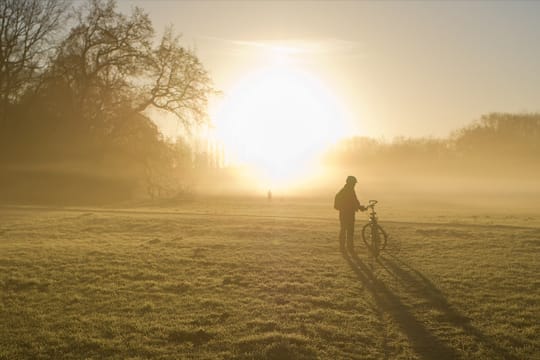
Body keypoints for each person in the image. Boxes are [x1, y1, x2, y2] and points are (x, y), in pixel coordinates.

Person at [334, 176, 366, 252]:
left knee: (345, 230)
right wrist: (359, 207)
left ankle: (346, 247)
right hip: (347, 213)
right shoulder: (348, 190)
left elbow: (354, 201)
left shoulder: (348, 190)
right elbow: (352, 202)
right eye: (354, 183)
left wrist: (359, 206)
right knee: (347, 230)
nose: (355, 184)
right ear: (350, 183)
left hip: (347, 213)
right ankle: (347, 247)